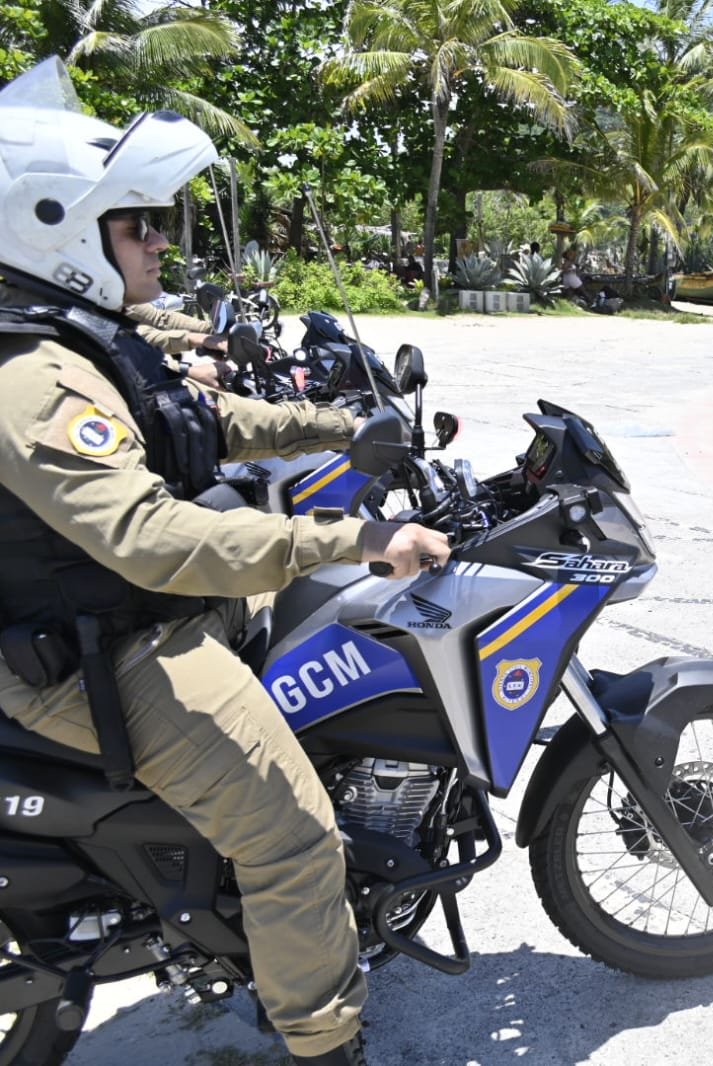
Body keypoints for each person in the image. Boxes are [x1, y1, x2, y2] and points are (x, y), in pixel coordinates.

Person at [0, 58, 450, 1065]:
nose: (160, 239)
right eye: (136, 222)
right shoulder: (31, 378)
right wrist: (357, 540)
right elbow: (154, 539)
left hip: (132, 620)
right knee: (295, 839)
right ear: (55, 226)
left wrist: (343, 427)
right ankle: (323, 1043)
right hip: (107, 654)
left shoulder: (82, 339)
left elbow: (200, 416)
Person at [123, 300, 233, 387]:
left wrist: (211, 332)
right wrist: (187, 371)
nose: (158, 272)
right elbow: (128, 343)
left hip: (158, 373)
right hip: (143, 386)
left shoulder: (115, 298)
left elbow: (159, 318)